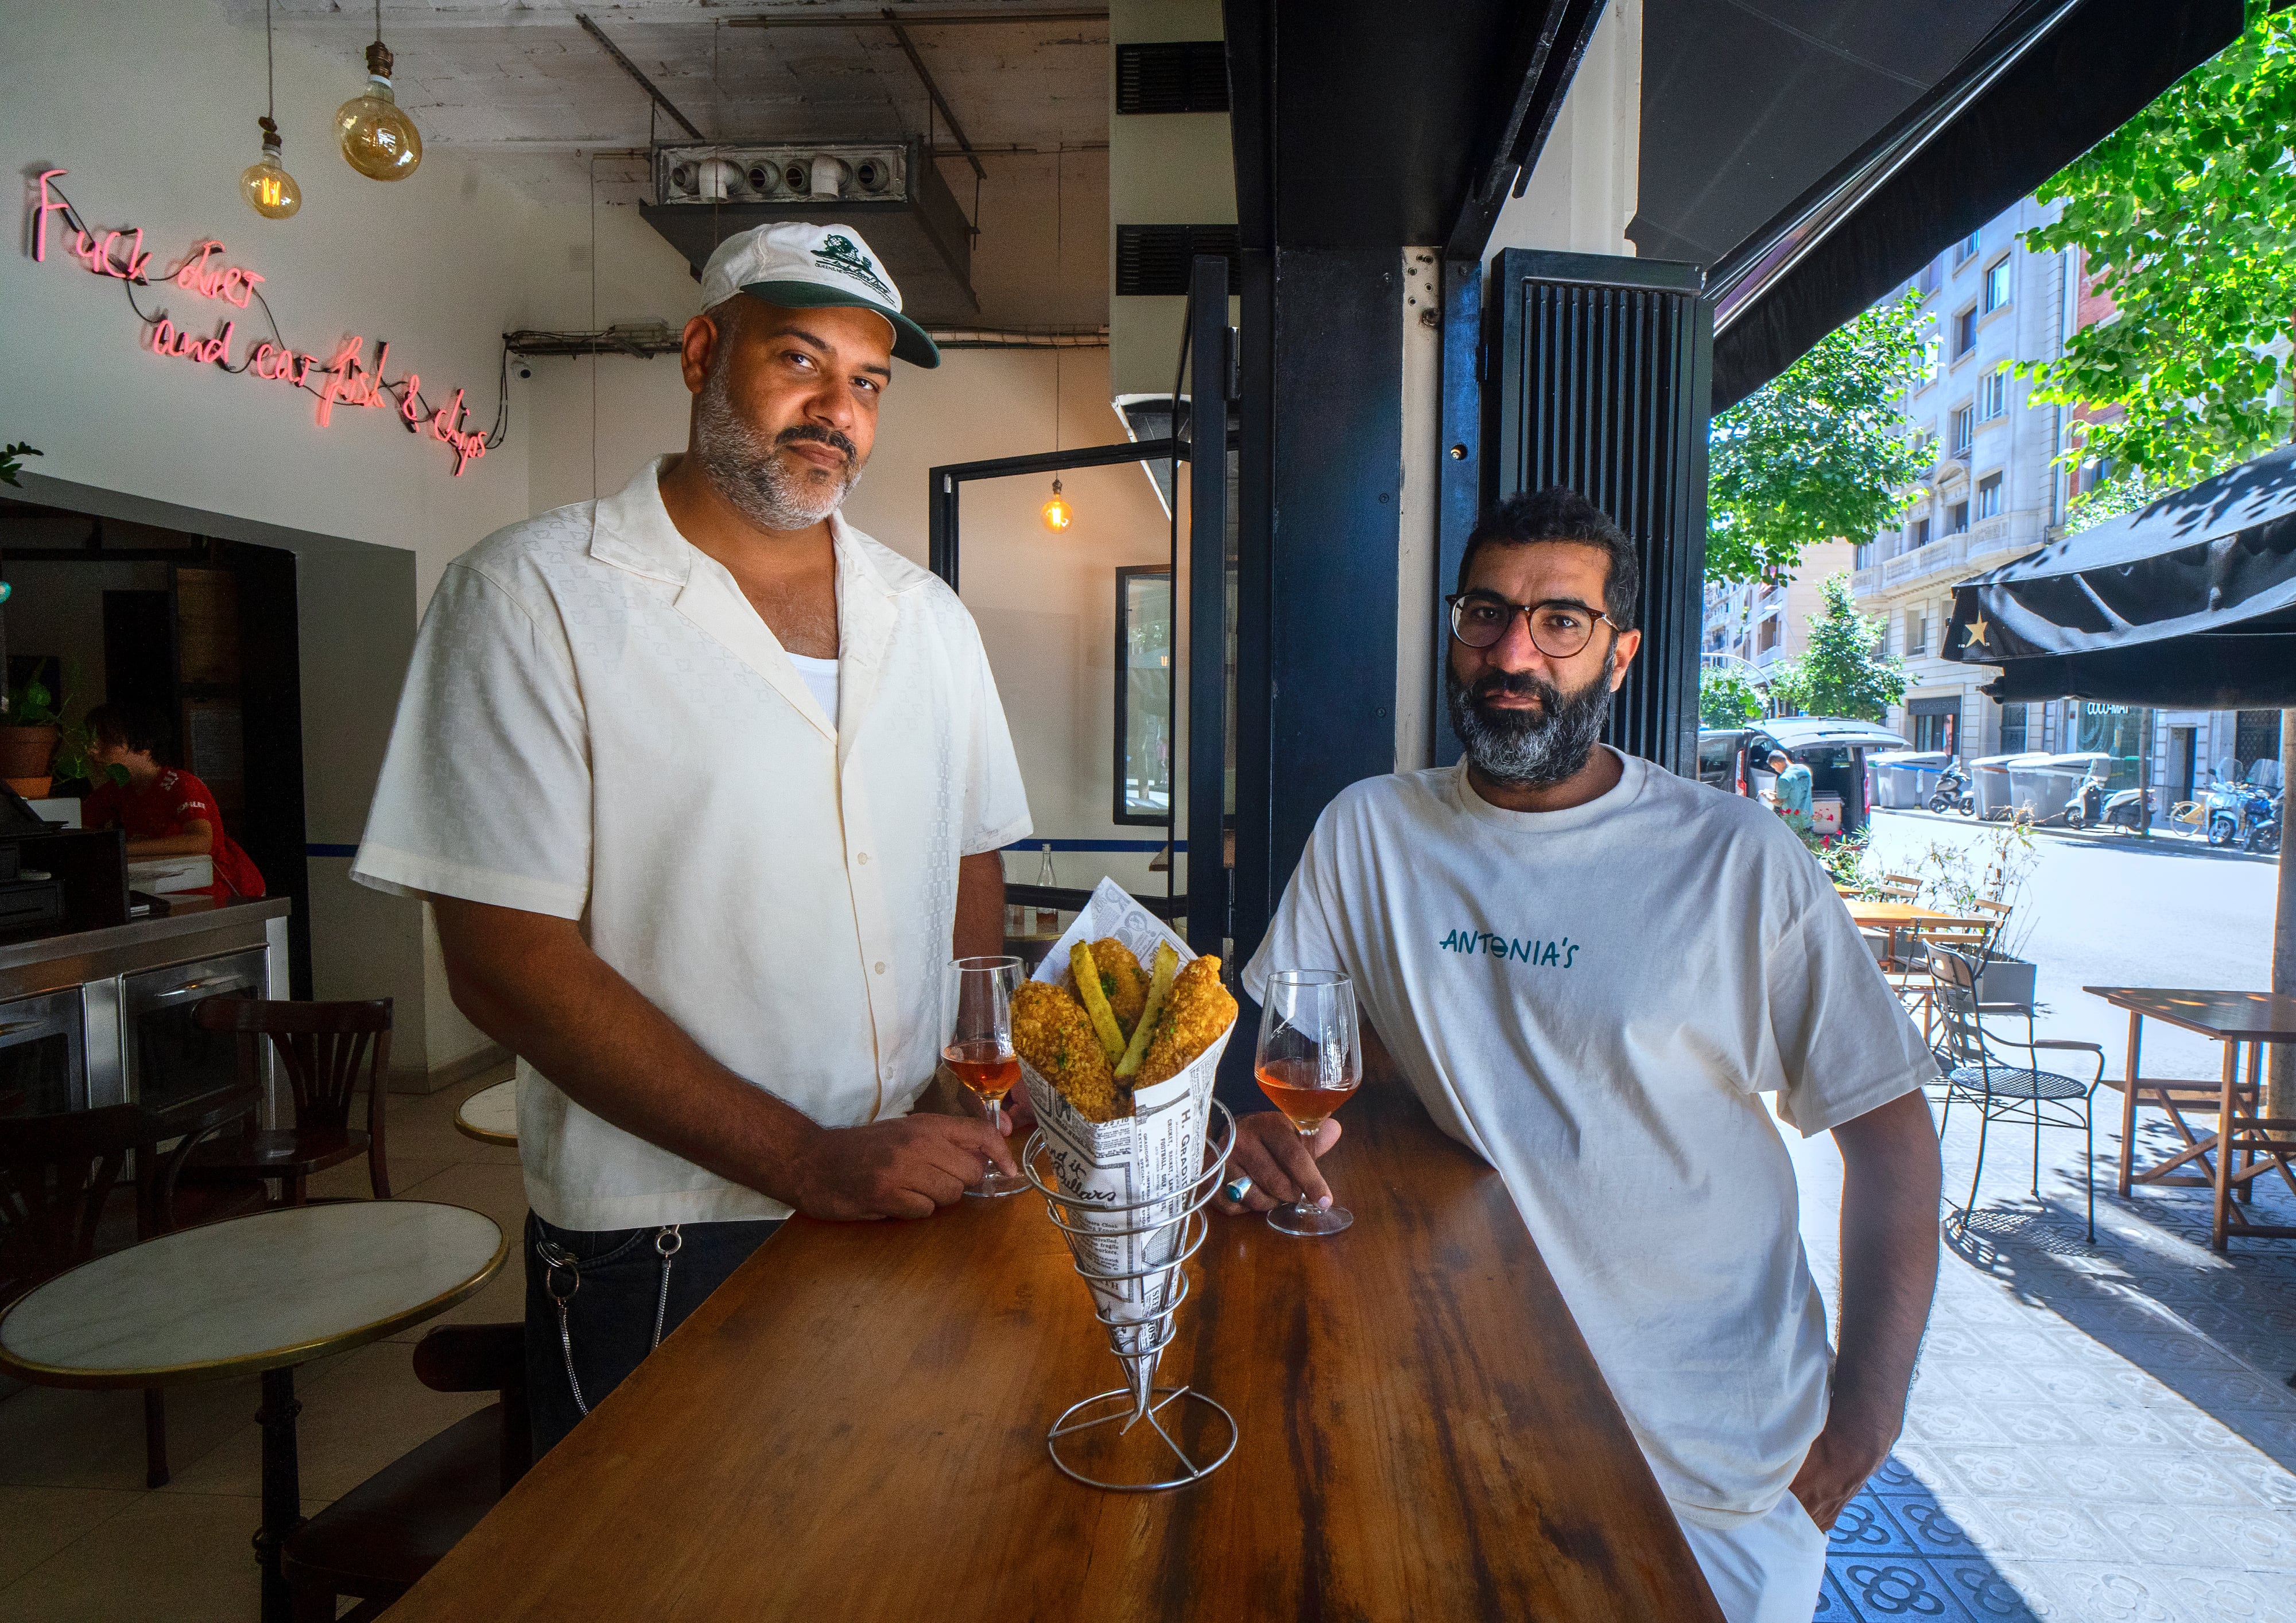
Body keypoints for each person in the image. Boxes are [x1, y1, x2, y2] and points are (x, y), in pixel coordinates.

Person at [351, 222, 1032, 1455]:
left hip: (907, 1181)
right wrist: (805, 1158)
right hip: (664, 1228)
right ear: (703, 351)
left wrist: (962, 1066)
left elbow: (965, 849)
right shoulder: (532, 593)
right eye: (800, 361)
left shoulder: (925, 619)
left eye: (868, 382)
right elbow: (504, 959)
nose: (837, 411)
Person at [1213, 487, 1942, 1623]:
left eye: (1559, 621)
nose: (1512, 652)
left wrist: (1863, 1421)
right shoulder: (1370, 831)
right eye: (1485, 614)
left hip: (1717, 1455)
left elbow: (1889, 1137)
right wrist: (1277, 1130)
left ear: (1618, 652)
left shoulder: (1733, 858)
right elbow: (1324, 1059)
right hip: (1462, 1417)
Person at [81, 702, 265, 899]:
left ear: (144, 747)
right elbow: (80, 828)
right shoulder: (115, 790)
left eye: (106, 740)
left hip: (207, 894)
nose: (92, 749)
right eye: (93, 740)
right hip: (153, 893)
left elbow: (201, 841)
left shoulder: (182, 785)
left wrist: (119, 848)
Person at [1768, 747, 1815, 834]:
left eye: (1774, 768)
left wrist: (1767, 796)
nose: (1776, 770)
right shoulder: (1805, 769)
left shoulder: (1784, 779)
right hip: (1808, 820)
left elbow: (1780, 802)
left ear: (1777, 764)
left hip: (1792, 824)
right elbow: (1799, 791)